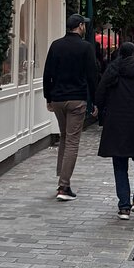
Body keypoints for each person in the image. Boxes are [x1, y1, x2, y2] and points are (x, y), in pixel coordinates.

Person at [96, 42, 134, 220]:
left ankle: (124, 206)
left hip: (116, 124)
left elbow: (100, 96)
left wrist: (106, 114)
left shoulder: (112, 73)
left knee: (119, 164)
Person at [42, 14, 98, 202]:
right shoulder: (86, 47)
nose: (85, 28)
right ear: (80, 26)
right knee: (72, 141)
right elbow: (92, 76)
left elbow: (47, 73)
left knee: (65, 137)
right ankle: (64, 186)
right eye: (84, 25)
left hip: (58, 99)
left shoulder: (56, 45)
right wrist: (95, 101)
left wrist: (48, 97)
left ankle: (62, 178)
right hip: (76, 99)